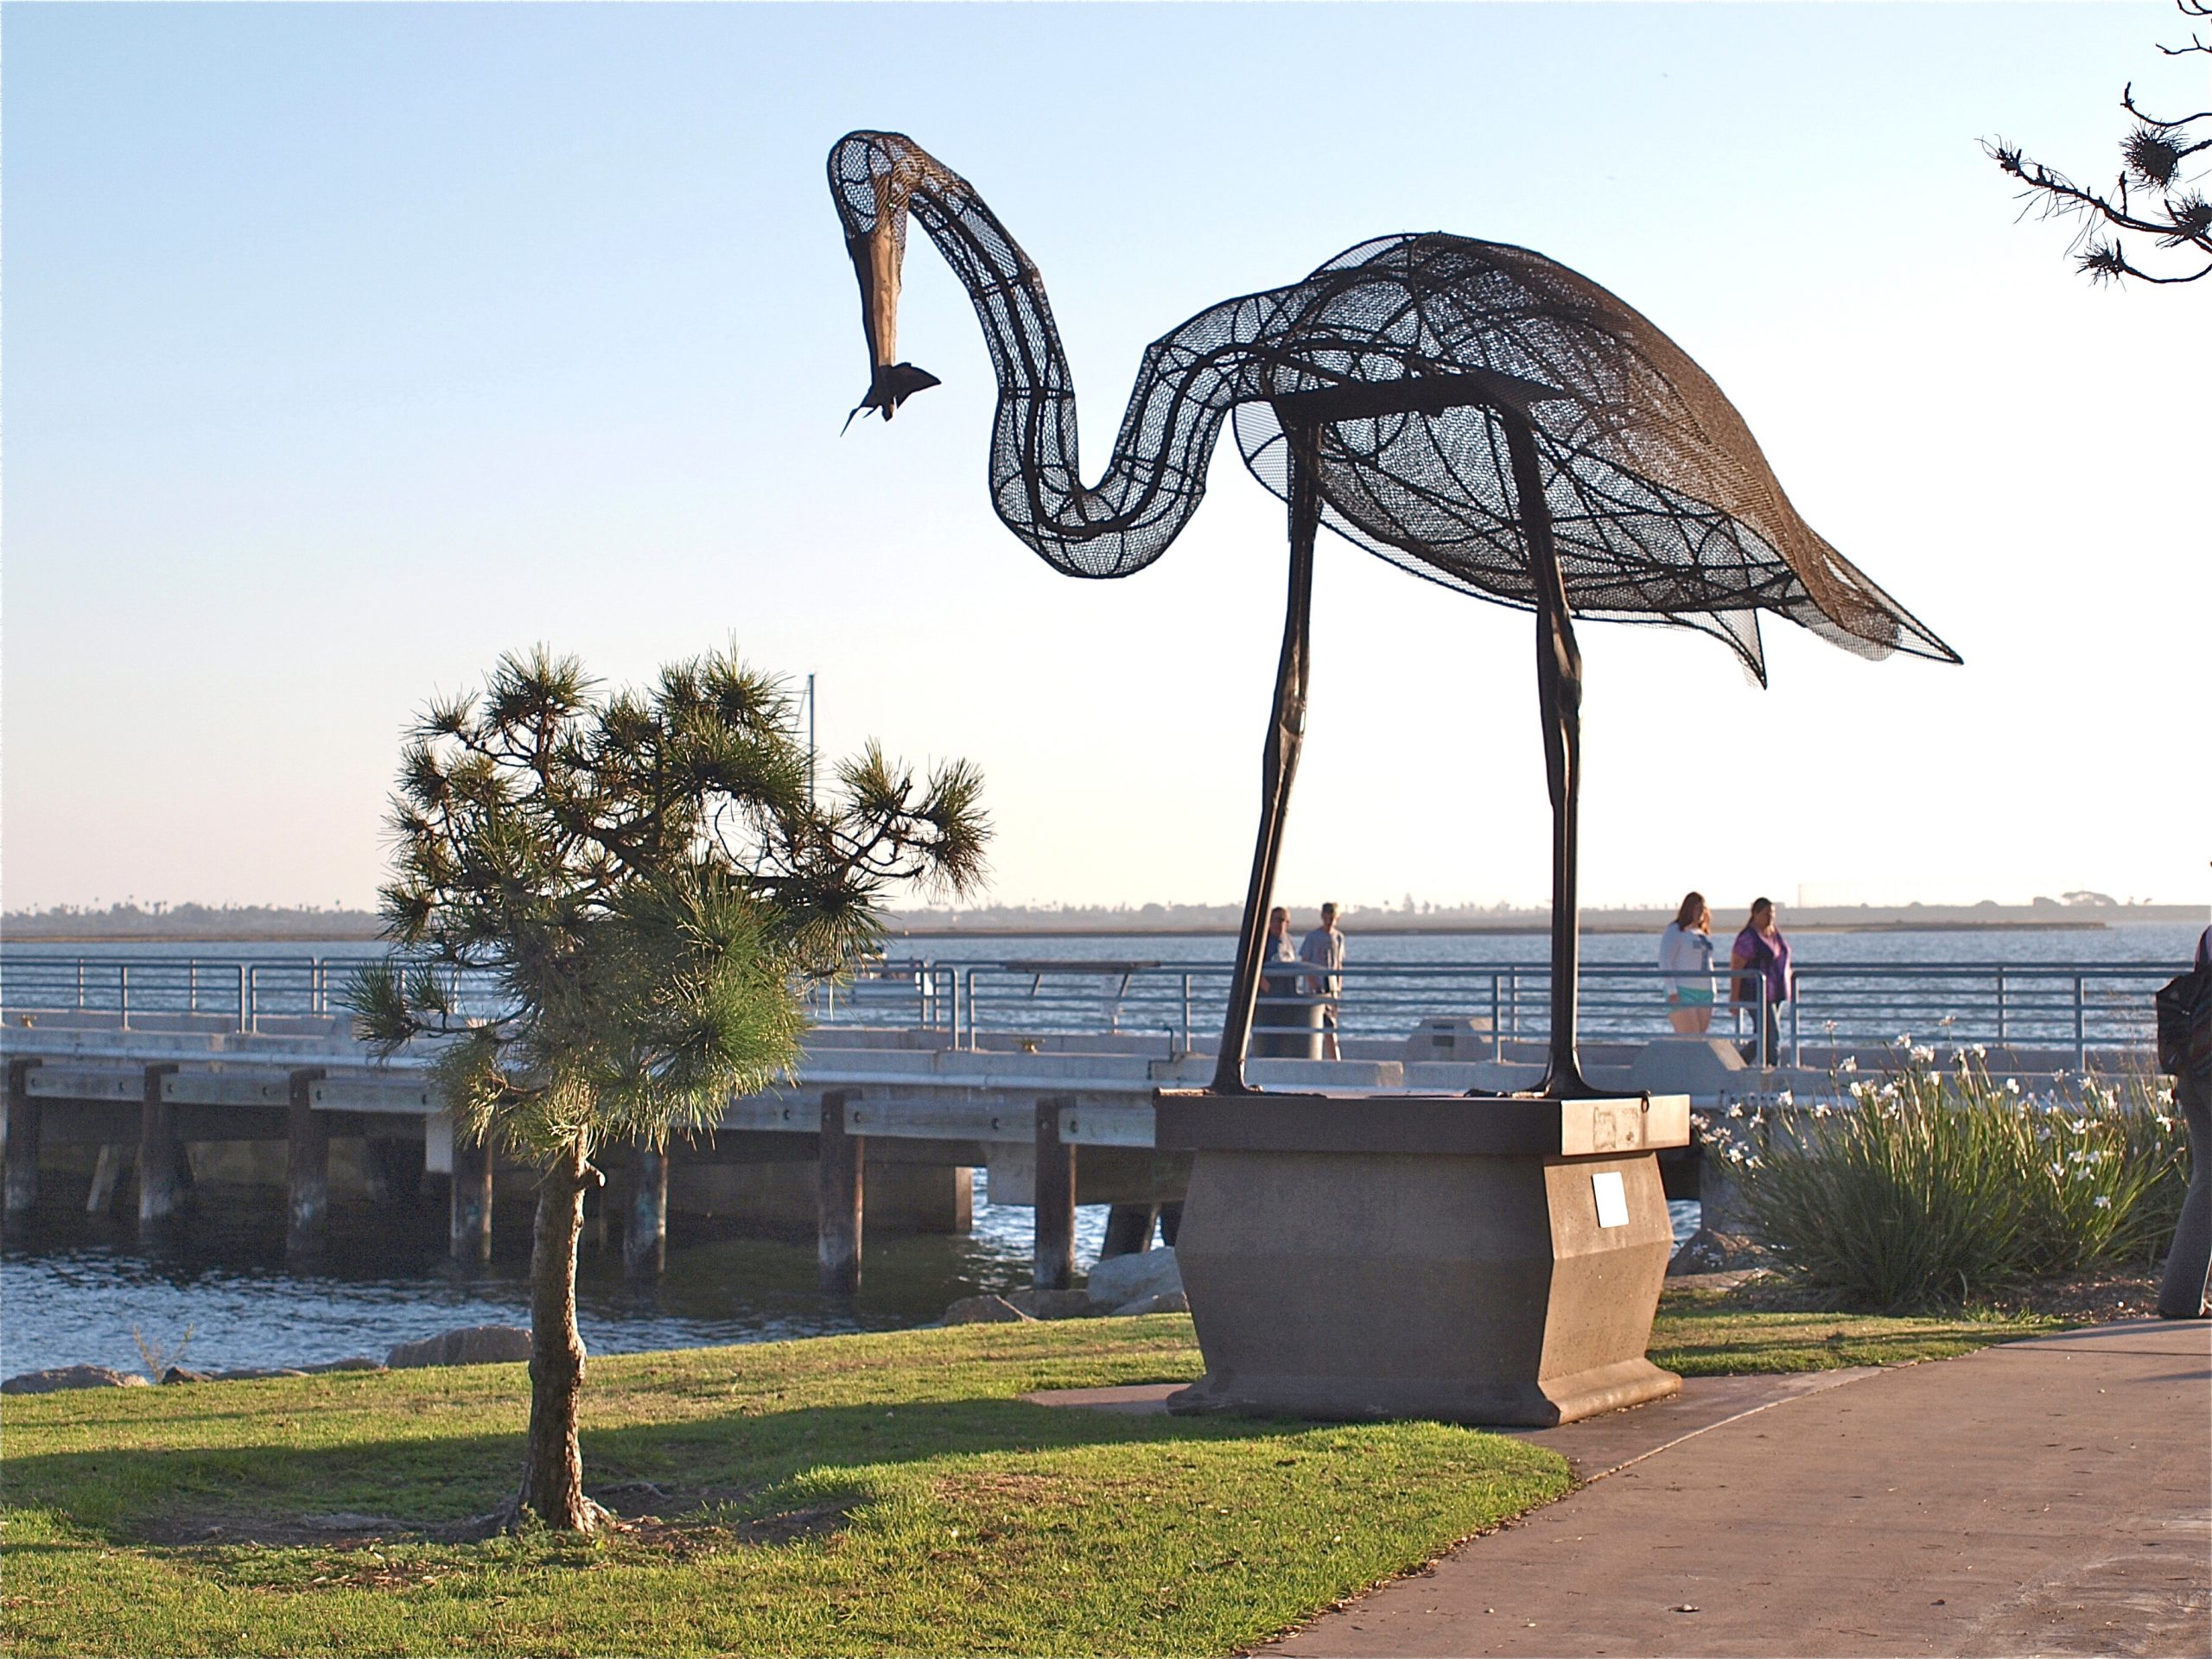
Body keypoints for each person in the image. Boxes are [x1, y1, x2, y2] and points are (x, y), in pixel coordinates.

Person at [1731, 897, 1792, 1066]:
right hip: (1755, 993)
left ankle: (1738, 1063)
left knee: (1763, 1036)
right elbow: (1736, 968)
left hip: (1775, 993)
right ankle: (1772, 1070)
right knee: (1772, 1035)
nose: (1770, 918)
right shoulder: (1748, 937)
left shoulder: (1773, 933)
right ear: (1755, 914)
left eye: (1772, 914)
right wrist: (1734, 997)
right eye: (1766, 914)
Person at [1658, 892, 1717, 1034]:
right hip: (1683, 991)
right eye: (1697, 908)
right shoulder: (1675, 930)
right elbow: (1665, 960)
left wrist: (1713, 990)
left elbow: (1709, 962)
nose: (1700, 912)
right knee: (1690, 1037)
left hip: (1705, 993)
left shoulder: (1702, 933)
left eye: (1703, 908)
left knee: (1700, 1037)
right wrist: (1672, 991)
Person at [1300, 902, 1346, 1061]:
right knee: (1315, 1026)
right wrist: (1314, 985)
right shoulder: (1313, 937)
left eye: (1332, 918)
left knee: (1330, 1026)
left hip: (1331, 990)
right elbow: (1305, 962)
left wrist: (1338, 987)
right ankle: (1318, 1060)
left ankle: (1335, 1061)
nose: (1329, 921)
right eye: (1327, 918)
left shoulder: (1339, 937)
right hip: (1315, 989)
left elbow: (1339, 964)